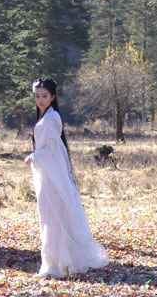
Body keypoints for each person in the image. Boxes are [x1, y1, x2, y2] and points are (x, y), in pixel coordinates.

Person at [24, 78, 109, 278]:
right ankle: (56, 263)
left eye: (44, 96)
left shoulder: (52, 118)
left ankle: (58, 264)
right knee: (50, 214)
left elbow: (53, 149)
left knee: (56, 213)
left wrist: (34, 157)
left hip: (54, 173)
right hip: (48, 173)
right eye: (37, 96)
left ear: (53, 97)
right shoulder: (45, 117)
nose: (40, 99)